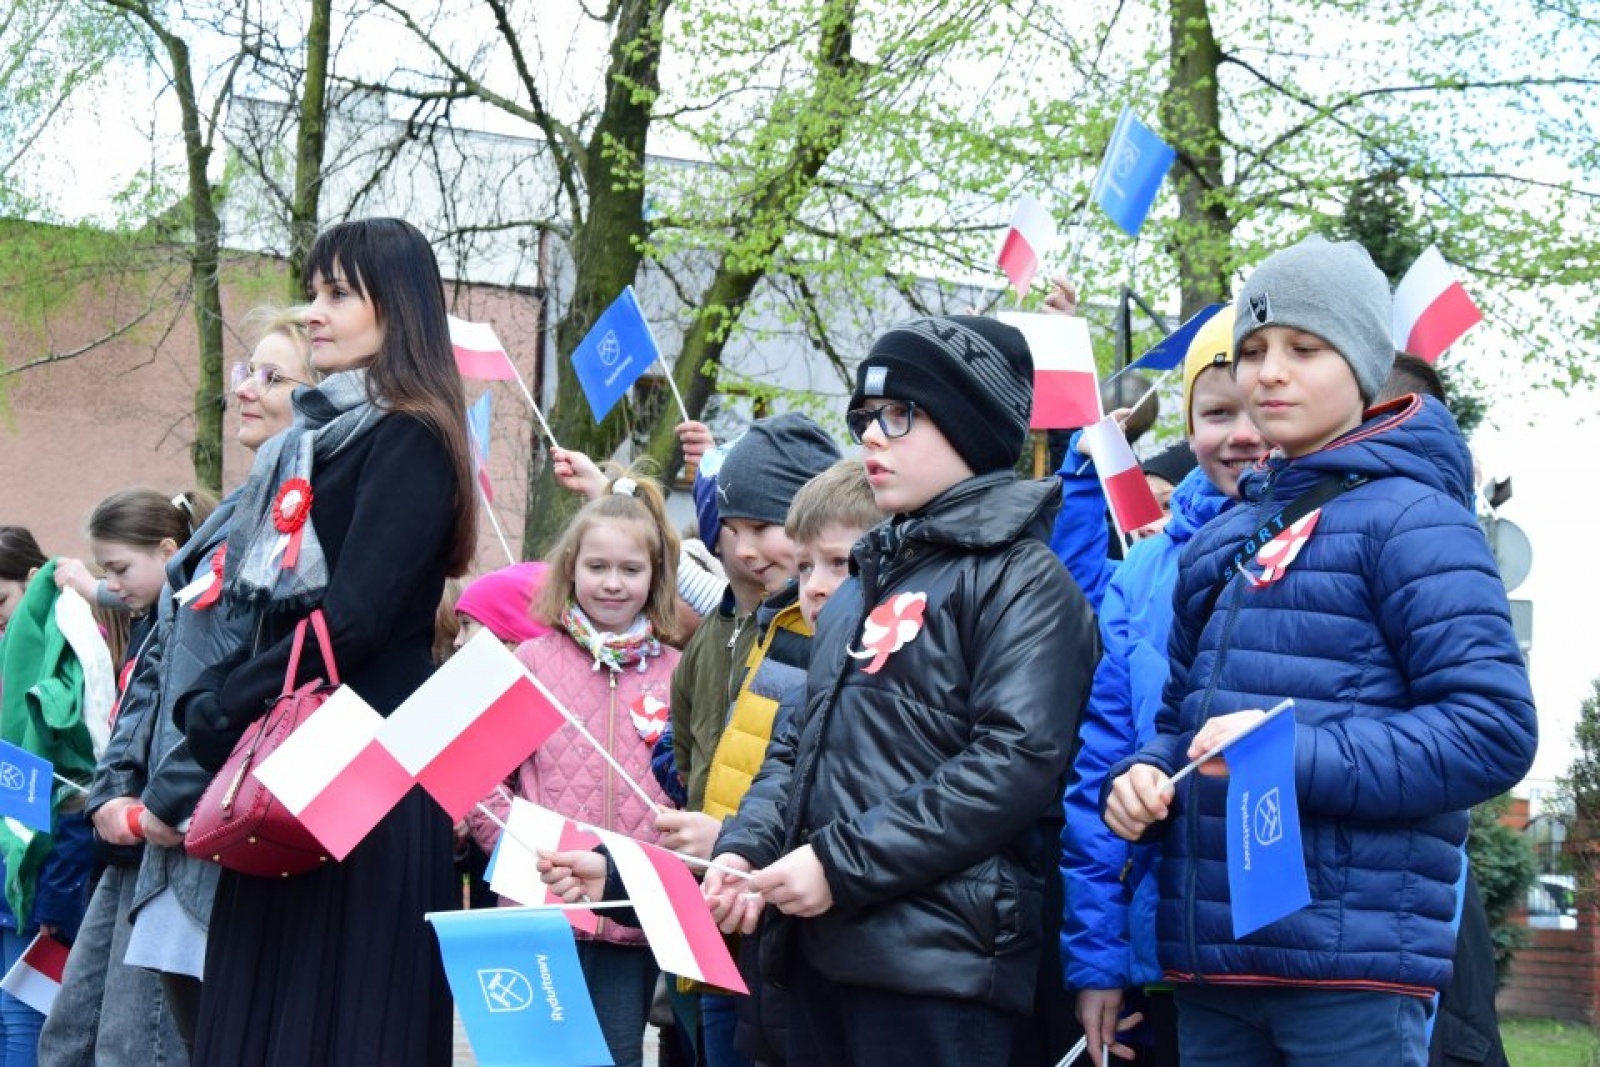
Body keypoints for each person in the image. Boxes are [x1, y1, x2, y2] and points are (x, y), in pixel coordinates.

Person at [1103, 236, 1538, 1066]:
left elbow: (1492, 730)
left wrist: (1285, 753)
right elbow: (1177, 716)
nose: (1268, 372)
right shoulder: (1219, 537)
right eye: (1254, 349)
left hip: (1352, 971)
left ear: (1367, 361)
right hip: (1214, 962)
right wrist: (1144, 776)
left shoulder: (1416, 519)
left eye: (1304, 348)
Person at [703, 316, 1100, 1065]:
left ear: (971, 424)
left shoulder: (1024, 581)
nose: (872, 439)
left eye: (898, 415)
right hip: (820, 957)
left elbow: (1011, 766)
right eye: (863, 419)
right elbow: (794, 750)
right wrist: (744, 849)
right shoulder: (858, 590)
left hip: (939, 970)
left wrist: (837, 865)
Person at [179, 218, 477, 1066]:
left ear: (401, 308)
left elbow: (354, 620)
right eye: (314, 291)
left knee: (338, 1028)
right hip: (296, 767)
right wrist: (228, 697)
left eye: (337, 293)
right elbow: (280, 611)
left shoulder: (412, 438)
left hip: (365, 783)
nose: (314, 312)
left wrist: (225, 703)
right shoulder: (318, 438)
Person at [41, 309, 322, 1067]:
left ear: (319, 396)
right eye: (244, 371)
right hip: (146, 828)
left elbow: (256, 679)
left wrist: (167, 802)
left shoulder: (300, 514)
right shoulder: (229, 517)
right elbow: (154, 665)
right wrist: (114, 792)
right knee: (71, 1039)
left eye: (274, 376)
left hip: (203, 829)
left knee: (147, 1049)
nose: (247, 389)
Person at [1060, 306, 1268, 1066]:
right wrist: (1097, 959)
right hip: (1169, 947)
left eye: (1257, 407)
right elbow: (1099, 775)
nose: (1240, 433)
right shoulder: (1146, 573)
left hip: (1308, 949)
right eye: (1216, 412)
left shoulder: (1346, 531)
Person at [467, 469, 682, 1067]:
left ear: (655, 577)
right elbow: (481, 784)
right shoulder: (532, 662)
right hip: (541, 908)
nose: (612, 584)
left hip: (627, 916)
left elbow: (688, 788)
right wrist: (524, 855)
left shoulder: (675, 673)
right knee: (533, 1058)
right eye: (597, 567)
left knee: (614, 1055)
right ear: (570, 570)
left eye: (630, 570)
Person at [0, 528, 112, 1067]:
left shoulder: (66, 653)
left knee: (25, 1016)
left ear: (31, 580)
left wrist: (55, 894)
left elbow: (74, 778)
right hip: (14, 866)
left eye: (1, 600)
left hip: (38, 870)